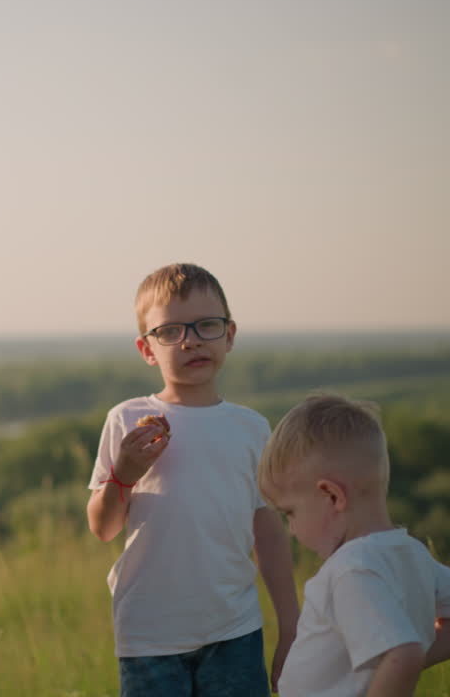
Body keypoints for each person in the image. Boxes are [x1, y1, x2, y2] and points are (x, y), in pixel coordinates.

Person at [86, 262, 300, 696]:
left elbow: (268, 532)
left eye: (207, 325)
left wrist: (291, 626)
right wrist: (123, 476)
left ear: (230, 334)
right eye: (170, 331)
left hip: (235, 629)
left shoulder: (252, 428)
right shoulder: (127, 420)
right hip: (150, 634)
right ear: (147, 349)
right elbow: (103, 528)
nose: (191, 340)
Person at [258, 394, 450, 696]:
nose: (291, 530)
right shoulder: (410, 553)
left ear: (332, 496)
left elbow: (405, 653)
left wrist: (399, 662)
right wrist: (387, 666)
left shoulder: (351, 570)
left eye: (289, 513)